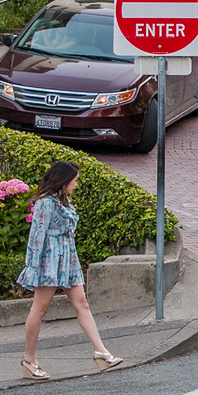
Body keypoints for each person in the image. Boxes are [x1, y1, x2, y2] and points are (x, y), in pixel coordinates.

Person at [20, 161, 121, 380]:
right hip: (49, 261)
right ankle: (29, 359)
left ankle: (101, 351)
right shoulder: (45, 203)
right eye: (74, 180)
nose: (76, 184)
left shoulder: (62, 201)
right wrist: (33, 267)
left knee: (82, 303)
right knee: (40, 309)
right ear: (64, 181)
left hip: (68, 260)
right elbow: (36, 237)